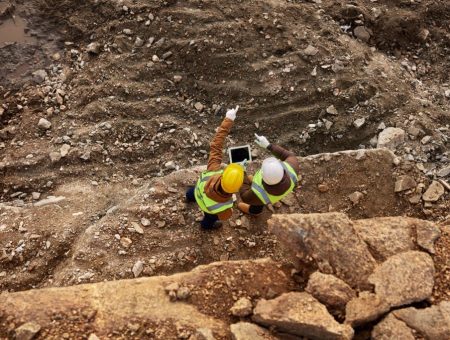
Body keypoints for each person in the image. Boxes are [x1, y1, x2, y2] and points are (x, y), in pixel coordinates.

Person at [186, 106, 244, 229]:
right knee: (210, 219)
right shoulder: (227, 205)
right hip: (208, 209)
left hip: (198, 193)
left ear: (223, 175)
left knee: (192, 192)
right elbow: (225, 216)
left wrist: (228, 119)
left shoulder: (213, 170)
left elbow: (216, 145)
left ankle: (188, 197)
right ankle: (205, 227)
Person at [238, 134, 300, 215]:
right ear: (282, 170)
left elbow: (244, 197)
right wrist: (269, 146)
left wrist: (243, 172)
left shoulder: (259, 194)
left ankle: (255, 212)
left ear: (263, 178)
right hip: (280, 192)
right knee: (259, 199)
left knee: (257, 204)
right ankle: (254, 187)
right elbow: (288, 155)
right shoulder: (292, 169)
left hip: (261, 199)